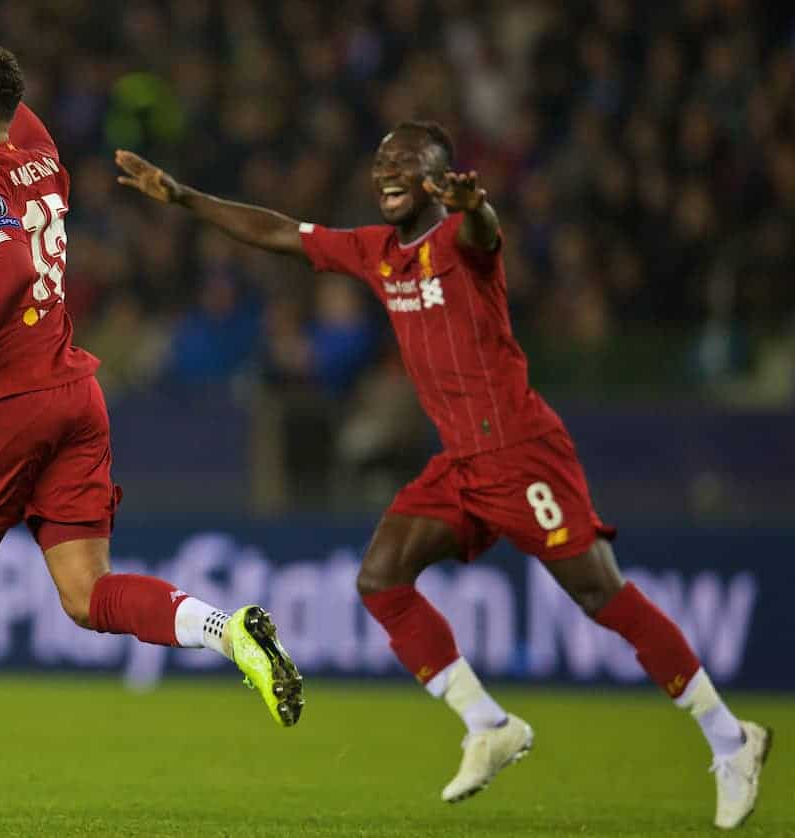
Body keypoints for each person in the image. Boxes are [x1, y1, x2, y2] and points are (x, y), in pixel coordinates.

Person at [115, 122, 771, 830]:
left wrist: (474, 208)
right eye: (380, 162)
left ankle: (731, 739)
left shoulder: (462, 243)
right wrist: (181, 196)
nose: (388, 172)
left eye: (407, 162)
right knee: (380, 580)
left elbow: (486, 234)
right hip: (459, 464)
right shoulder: (375, 252)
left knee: (600, 597)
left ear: (439, 176)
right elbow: (277, 232)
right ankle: (487, 724)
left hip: (522, 455)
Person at [0, 23, 303, 819]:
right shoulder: (44, 165)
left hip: (0, 405)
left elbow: (13, 265)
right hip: (74, 394)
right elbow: (18, 121)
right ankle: (225, 630)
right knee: (84, 591)